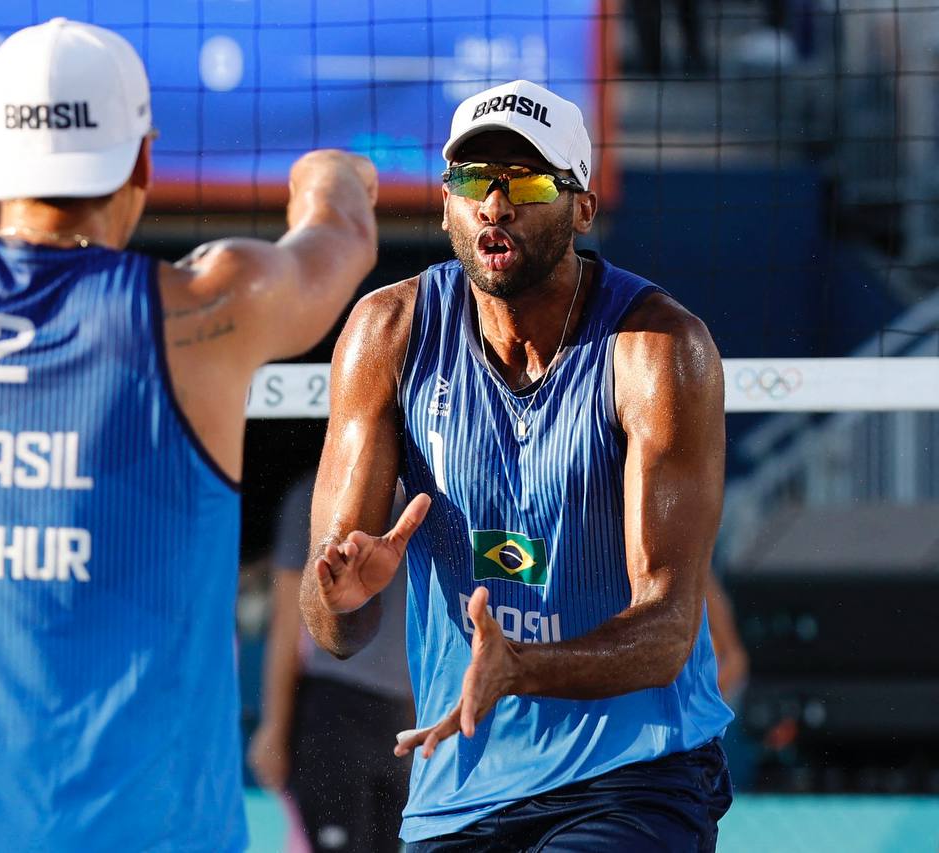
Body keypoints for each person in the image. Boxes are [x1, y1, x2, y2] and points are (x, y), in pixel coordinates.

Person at [0, 18, 377, 852]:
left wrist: (29, 191)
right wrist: (332, 175)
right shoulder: (206, 307)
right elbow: (340, 241)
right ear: (144, 163)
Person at [299, 79, 735, 851]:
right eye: (472, 181)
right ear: (444, 205)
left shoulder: (659, 350)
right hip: (461, 786)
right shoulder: (387, 332)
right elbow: (334, 627)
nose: (494, 205)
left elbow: (668, 631)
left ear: (583, 209)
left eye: (526, 181)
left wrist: (520, 667)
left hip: (633, 774)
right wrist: (342, 594)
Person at [248, 470, 413, 853]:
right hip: (334, 712)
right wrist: (273, 727)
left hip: (401, 719)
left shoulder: (429, 493)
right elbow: (286, 626)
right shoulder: (313, 495)